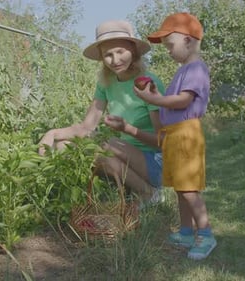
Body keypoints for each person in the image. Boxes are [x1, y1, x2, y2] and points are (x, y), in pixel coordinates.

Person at [37, 20, 165, 204]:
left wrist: (127, 129)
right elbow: (87, 127)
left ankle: (149, 193)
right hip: (127, 157)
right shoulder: (107, 82)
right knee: (63, 146)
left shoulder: (148, 82)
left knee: (105, 142)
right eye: (108, 55)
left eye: (120, 52)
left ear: (134, 50)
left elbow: (163, 141)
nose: (115, 60)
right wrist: (52, 134)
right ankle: (129, 188)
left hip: (157, 162)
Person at [134, 12, 216, 260]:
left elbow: (183, 101)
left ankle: (206, 234)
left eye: (170, 45)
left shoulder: (196, 68)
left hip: (186, 135)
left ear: (189, 41)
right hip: (175, 135)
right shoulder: (184, 70)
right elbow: (172, 101)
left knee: (189, 188)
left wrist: (153, 99)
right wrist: (158, 94)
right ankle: (186, 232)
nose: (168, 51)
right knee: (181, 188)